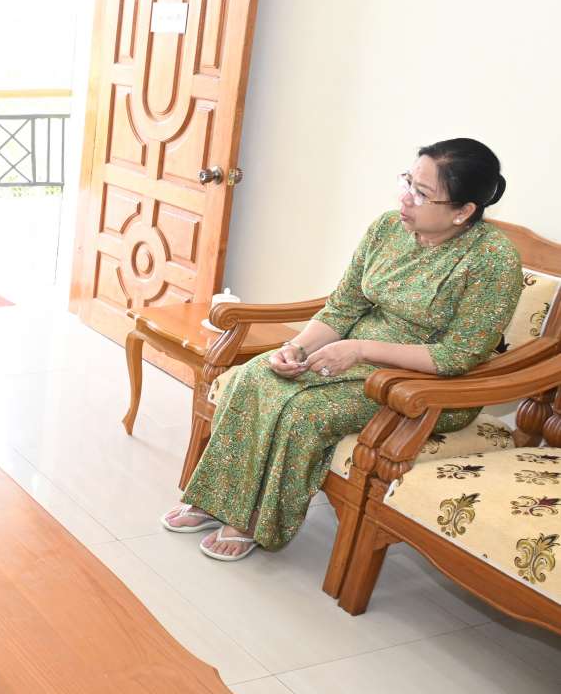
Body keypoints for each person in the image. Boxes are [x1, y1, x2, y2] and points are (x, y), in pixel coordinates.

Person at [163, 138, 524, 561]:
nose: (405, 198)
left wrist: (359, 349)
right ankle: (217, 500)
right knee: (256, 374)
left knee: (304, 410)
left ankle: (256, 520)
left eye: (422, 193)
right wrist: (295, 348)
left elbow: (457, 357)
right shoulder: (388, 228)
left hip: (426, 386)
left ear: (462, 212)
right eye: (408, 182)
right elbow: (344, 305)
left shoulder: (493, 260)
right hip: (354, 354)